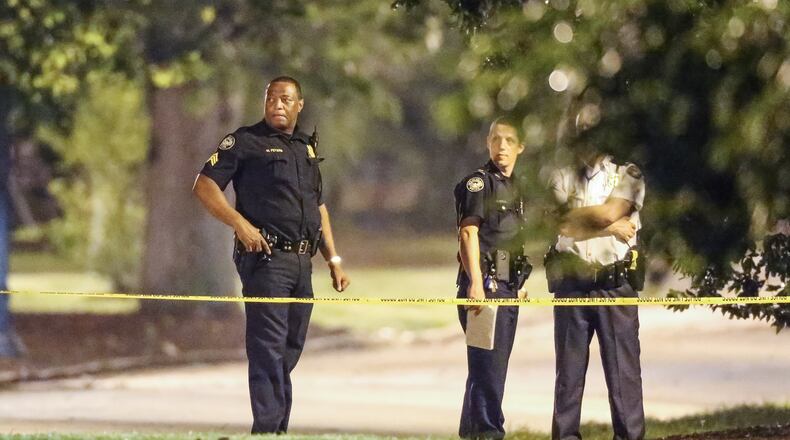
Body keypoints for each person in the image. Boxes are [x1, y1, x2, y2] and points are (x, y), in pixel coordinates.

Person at [192, 76, 350, 434]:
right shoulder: (245, 141)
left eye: (285, 99)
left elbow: (317, 208)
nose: (277, 104)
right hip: (265, 258)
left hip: (301, 262)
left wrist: (334, 259)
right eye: (271, 98)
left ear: (299, 105)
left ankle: (277, 426)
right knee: (267, 347)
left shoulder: (305, 149)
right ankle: (267, 428)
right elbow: (204, 185)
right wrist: (239, 224)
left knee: (289, 346)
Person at [546, 112, 646, 440]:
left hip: (614, 285)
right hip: (572, 285)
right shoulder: (560, 174)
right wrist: (608, 225)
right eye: (583, 127)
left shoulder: (628, 173)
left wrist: (598, 219)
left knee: (624, 379)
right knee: (568, 381)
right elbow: (555, 222)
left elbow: (606, 213)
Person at [454, 117, 532, 440]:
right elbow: (468, 233)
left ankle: (472, 432)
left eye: (509, 141)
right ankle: (488, 433)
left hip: (507, 289)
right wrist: (474, 283)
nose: (502, 147)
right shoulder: (479, 183)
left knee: (486, 371)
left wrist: (518, 284)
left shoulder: (515, 188)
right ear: (488, 143)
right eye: (496, 140)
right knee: (489, 372)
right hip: (484, 290)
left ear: (520, 147)